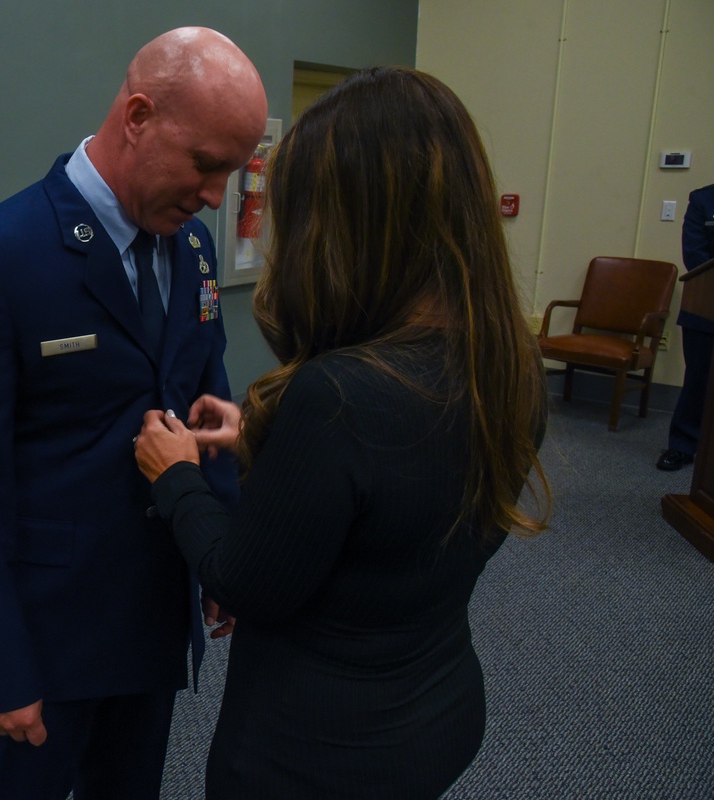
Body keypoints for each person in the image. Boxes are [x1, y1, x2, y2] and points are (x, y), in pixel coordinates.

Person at [134, 66, 551, 800]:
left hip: (315, 757)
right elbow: (402, 488)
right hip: (437, 712)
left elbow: (243, 580)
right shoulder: (508, 362)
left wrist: (176, 476)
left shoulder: (338, 398)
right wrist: (272, 441)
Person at [0, 27, 267, 800]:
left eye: (231, 173)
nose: (214, 195)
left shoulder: (193, 249)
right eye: (206, 165)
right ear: (137, 116)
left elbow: (207, 394)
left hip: (154, 611)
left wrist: (222, 550)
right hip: (50, 632)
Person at [657, 182, 714, 471]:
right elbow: (695, 254)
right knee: (698, 380)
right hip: (706, 307)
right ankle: (683, 444)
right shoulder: (703, 199)